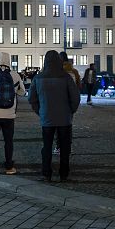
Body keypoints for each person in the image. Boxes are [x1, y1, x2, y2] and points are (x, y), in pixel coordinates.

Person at [29, 51, 80, 182]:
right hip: (64, 118)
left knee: (46, 146)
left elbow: (32, 99)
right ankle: (64, 173)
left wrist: (40, 111)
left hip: (46, 117)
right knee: (64, 148)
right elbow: (75, 97)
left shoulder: (38, 78)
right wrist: (71, 111)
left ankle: (46, 173)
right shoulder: (66, 77)